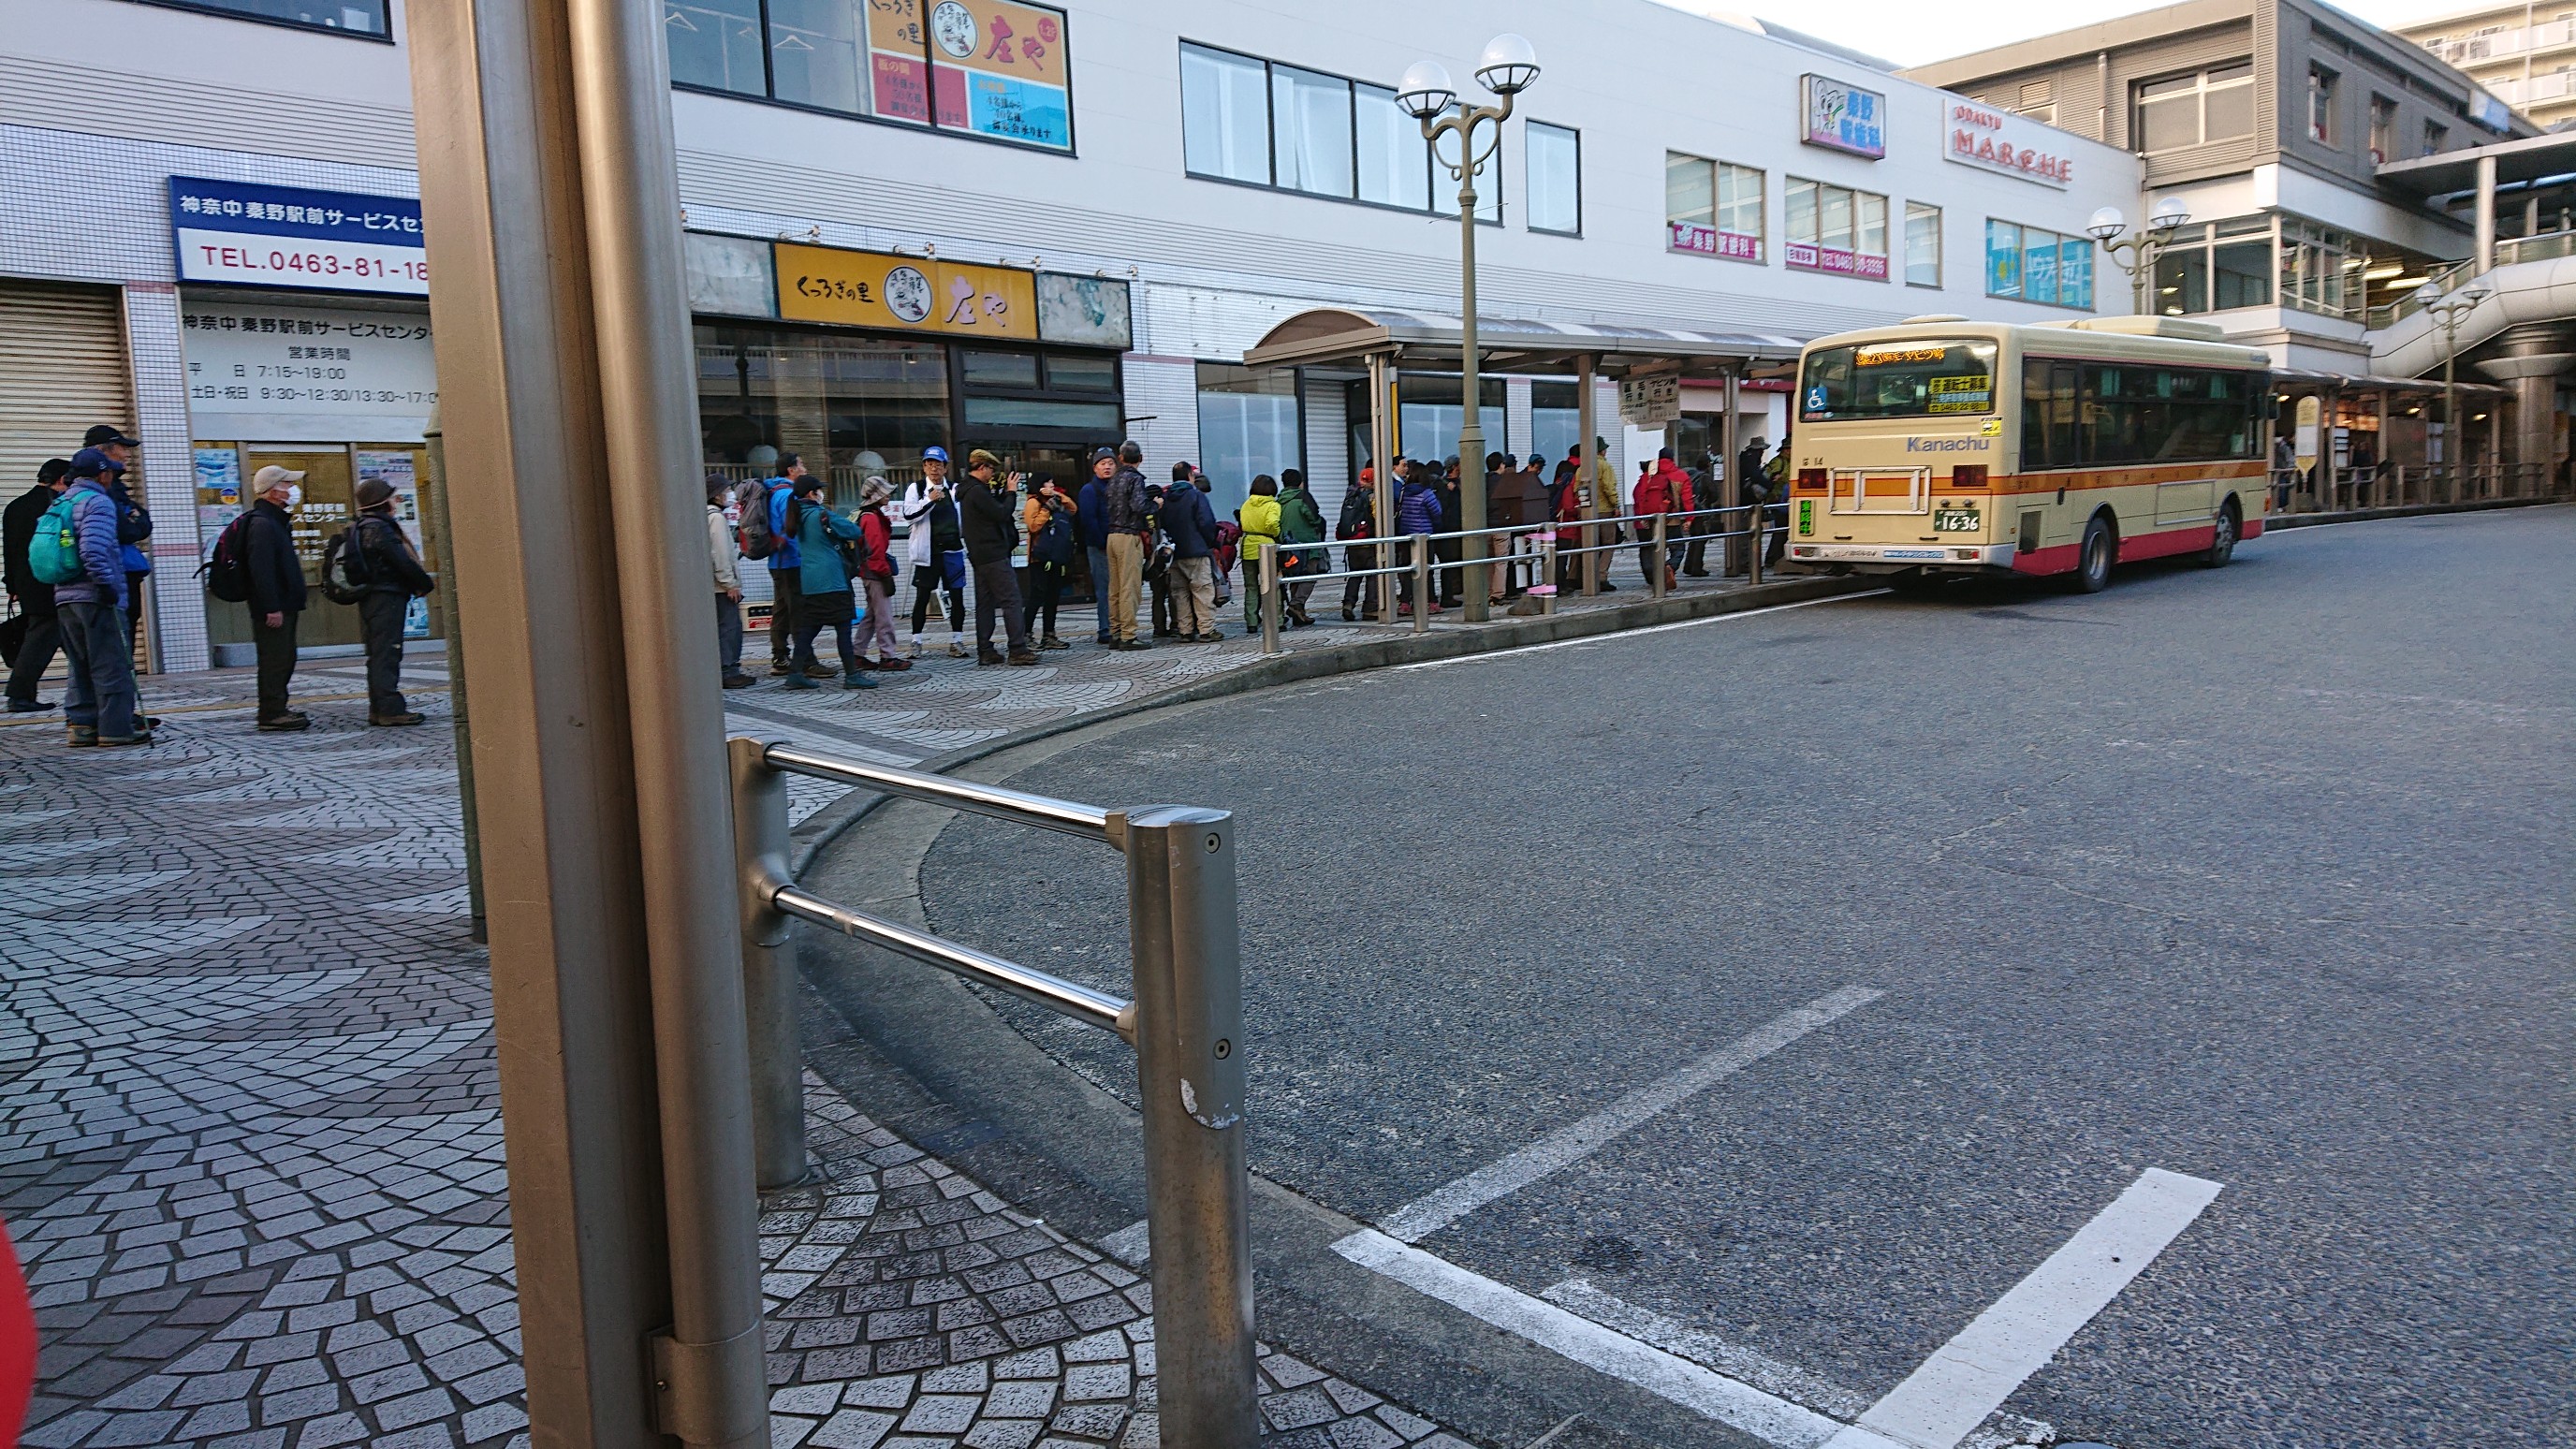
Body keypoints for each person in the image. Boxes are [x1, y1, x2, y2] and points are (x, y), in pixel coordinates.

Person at [51, 449, 148, 746]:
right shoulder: (98, 502)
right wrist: (106, 585)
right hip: (95, 596)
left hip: (65, 596)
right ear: (102, 475)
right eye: (111, 473)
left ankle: (82, 725)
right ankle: (115, 729)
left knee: (79, 665)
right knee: (111, 663)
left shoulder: (62, 501)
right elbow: (93, 550)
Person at [349, 476, 437, 724]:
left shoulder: (364, 525)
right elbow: (401, 561)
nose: (395, 502)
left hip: (375, 596)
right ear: (382, 501)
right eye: (391, 497)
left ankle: (380, 708)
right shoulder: (379, 528)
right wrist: (424, 583)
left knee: (379, 653)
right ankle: (389, 709)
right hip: (386, 597)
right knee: (386, 653)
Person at [781, 476, 874, 691]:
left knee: (809, 629)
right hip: (832, 580)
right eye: (819, 490)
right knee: (842, 629)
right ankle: (852, 675)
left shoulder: (797, 517)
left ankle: (795, 673)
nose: (821, 494)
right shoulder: (820, 515)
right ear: (812, 494)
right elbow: (853, 531)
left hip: (810, 582)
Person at [242, 464, 309, 731]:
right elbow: (262, 572)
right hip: (273, 607)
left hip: (284, 604)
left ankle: (278, 707)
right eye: (286, 485)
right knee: (274, 659)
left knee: (284, 657)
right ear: (272, 491)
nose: (292, 489)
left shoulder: (275, 521)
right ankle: (271, 712)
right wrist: (271, 607)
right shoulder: (262, 524)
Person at [958, 450, 1038, 666]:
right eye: (991, 469)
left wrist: (1002, 492)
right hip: (993, 554)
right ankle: (1018, 649)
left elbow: (992, 512)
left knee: (985, 603)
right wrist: (1011, 492)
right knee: (1011, 600)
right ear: (982, 467)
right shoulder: (977, 492)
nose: (992, 474)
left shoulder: (967, 492)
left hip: (979, 556)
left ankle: (986, 650)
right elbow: (1002, 514)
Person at [4, 460, 68, 713]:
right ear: (62, 479)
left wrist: (11, 584)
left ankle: (92, 694)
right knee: (39, 642)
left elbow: (10, 550)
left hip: (28, 584)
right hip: (52, 583)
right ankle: (19, 695)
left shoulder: (16, 506)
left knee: (74, 643)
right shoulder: (57, 506)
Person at [83, 426, 152, 662]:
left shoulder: (107, 488)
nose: (126, 455)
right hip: (113, 575)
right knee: (116, 644)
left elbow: (140, 521)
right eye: (121, 448)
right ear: (103, 452)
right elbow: (127, 530)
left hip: (111, 577)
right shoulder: (103, 493)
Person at [901, 450, 968, 659]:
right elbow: (909, 515)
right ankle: (916, 641)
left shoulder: (955, 489)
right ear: (923, 467)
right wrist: (929, 500)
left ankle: (957, 641)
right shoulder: (917, 488)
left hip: (952, 551)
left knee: (957, 597)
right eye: (929, 464)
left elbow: (964, 518)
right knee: (922, 597)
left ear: (945, 467)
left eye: (938, 464)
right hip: (927, 553)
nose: (934, 468)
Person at [761, 453, 819, 678]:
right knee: (798, 612)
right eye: (801, 464)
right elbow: (792, 531)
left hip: (778, 561)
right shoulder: (787, 495)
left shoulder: (774, 491)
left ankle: (780, 657)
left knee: (783, 610)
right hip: (790, 561)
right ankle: (806, 660)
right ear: (791, 470)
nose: (804, 467)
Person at [1160, 461, 1221, 641]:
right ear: (1190, 476)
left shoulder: (1165, 498)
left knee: (1180, 594)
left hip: (1174, 553)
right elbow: (1207, 523)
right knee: (1202, 591)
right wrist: (1209, 542)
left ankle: (1185, 631)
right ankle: (1206, 630)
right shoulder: (1196, 496)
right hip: (1196, 551)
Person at [854, 477, 907, 670]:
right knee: (883, 615)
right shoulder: (872, 518)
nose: (889, 496)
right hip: (875, 573)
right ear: (875, 495)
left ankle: (857, 653)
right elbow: (875, 552)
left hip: (867, 571)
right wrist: (886, 576)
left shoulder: (866, 515)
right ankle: (888, 656)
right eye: (885, 492)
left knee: (872, 615)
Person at [707, 475, 754, 688]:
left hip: (715, 584)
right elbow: (721, 553)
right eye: (727, 490)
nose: (730, 495)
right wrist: (730, 583)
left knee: (722, 627)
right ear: (717, 495)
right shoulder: (716, 518)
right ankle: (729, 670)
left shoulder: (706, 516)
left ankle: (724, 668)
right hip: (722, 586)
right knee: (729, 627)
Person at [1020, 469, 1076, 650]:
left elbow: (1073, 509)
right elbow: (1033, 525)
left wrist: (1057, 495)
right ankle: (1025, 635)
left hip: (1055, 556)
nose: (1052, 485)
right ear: (1040, 485)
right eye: (1049, 483)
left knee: (1053, 597)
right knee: (1036, 597)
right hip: (1039, 558)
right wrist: (1046, 509)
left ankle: (1049, 635)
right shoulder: (1033, 502)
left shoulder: (1055, 499)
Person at [1633, 447, 1693, 589]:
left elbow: (1641, 497)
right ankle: (1670, 566)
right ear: (1672, 458)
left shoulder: (1649, 474)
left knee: (1649, 548)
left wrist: (1643, 517)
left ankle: (1652, 576)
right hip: (1671, 518)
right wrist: (1689, 519)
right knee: (1677, 548)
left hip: (1652, 519)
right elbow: (1687, 499)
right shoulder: (1681, 475)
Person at [1275, 468, 1325, 626]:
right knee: (1309, 575)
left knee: (1294, 577)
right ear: (1300, 482)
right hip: (1307, 545)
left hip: (1287, 546)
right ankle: (1296, 604)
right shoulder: (1303, 497)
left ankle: (1299, 614)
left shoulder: (1279, 501)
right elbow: (1314, 518)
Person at [1076, 446, 1116, 644]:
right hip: (1099, 546)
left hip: (1117, 544)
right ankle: (1105, 629)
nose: (1107, 467)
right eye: (1103, 464)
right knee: (1104, 589)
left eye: (1111, 463)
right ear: (1095, 468)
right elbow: (1088, 520)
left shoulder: (1117, 488)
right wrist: (1102, 542)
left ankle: (1117, 625)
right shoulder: (1089, 490)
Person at [1397, 460, 1444, 616]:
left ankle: (1405, 603)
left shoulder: (1405, 490)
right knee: (1427, 570)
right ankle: (1432, 602)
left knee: (1409, 570)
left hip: (1406, 536)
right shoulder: (1426, 493)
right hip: (1424, 536)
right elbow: (1436, 512)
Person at [1236, 475, 1281, 630]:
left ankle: (1252, 621)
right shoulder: (1273, 505)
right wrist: (1275, 533)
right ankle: (1277, 620)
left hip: (1247, 547)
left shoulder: (1246, 504)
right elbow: (1272, 523)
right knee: (1271, 586)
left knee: (1251, 586)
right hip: (1266, 548)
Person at [1150, 462, 1192, 638]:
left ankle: (1159, 628)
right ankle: (1176, 625)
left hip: (1152, 560)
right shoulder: (1161, 509)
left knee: (1158, 596)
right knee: (1175, 592)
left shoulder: (1144, 515)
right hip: (1168, 554)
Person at [1336, 465, 1379, 622]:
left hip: (1352, 543)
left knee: (1355, 575)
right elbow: (1377, 517)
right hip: (1368, 542)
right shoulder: (1371, 496)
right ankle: (1370, 608)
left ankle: (1348, 603)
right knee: (1372, 575)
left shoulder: (1351, 494)